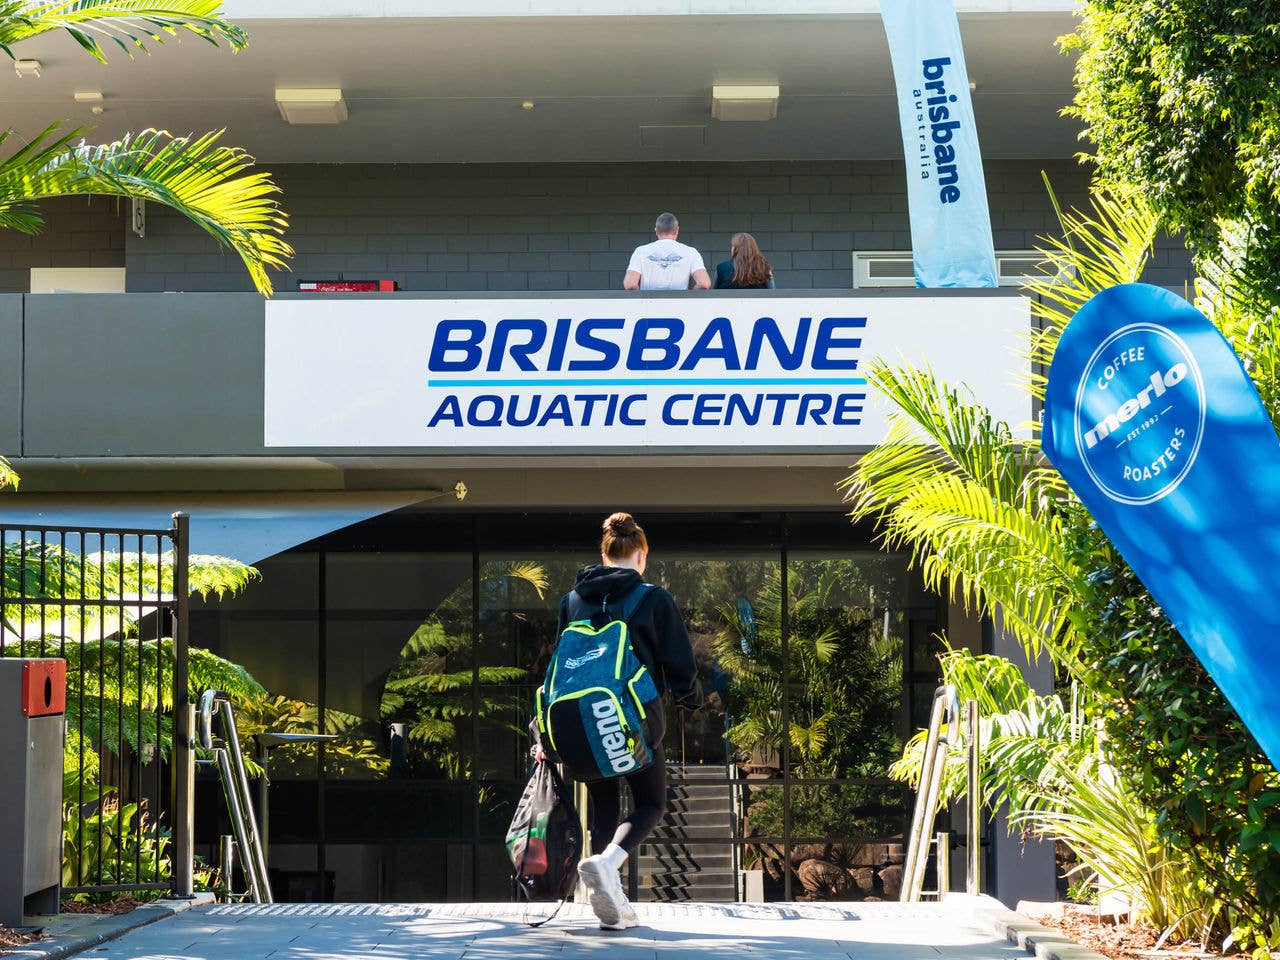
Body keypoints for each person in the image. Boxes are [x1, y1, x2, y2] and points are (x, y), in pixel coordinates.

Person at [553, 512, 699, 929]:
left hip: (583, 722)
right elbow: (680, 663)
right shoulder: (652, 599)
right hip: (635, 723)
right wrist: (691, 700)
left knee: (603, 808)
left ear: (604, 554)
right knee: (650, 804)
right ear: (640, 555)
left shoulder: (572, 601)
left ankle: (611, 908)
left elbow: (560, 665)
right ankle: (607, 863)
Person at [623, 212, 711, 291]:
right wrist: (688, 295)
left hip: (649, 306)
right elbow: (704, 283)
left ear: (656, 231)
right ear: (677, 230)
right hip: (679, 306)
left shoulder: (641, 251)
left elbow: (630, 284)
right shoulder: (691, 252)